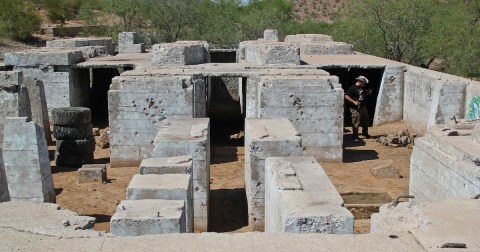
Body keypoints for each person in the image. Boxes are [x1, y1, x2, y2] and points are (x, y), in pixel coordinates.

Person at [345, 76, 372, 141]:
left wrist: (369, 92)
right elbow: (346, 96)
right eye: (363, 83)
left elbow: (364, 94)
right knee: (356, 122)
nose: (364, 84)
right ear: (359, 82)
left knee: (366, 121)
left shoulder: (362, 88)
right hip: (355, 108)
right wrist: (353, 102)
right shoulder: (352, 88)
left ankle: (365, 134)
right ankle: (355, 136)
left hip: (363, 107)